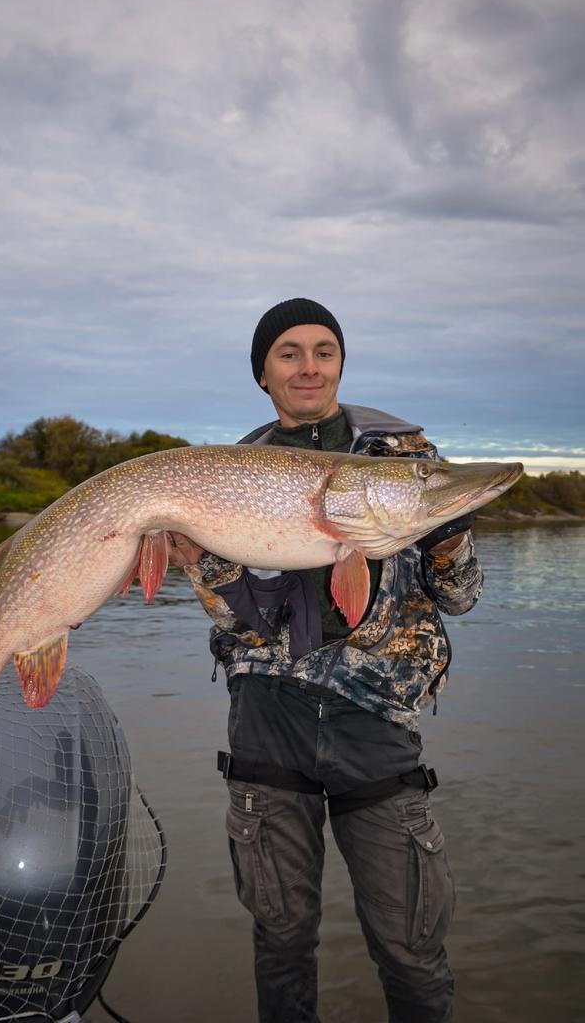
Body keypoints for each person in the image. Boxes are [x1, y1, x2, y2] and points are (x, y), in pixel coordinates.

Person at [169, 298, 482, 1023]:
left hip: (377, 726)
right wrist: (199, 565)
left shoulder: (407, 460)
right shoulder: (226, 470)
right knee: (280, 939)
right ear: (262, 373)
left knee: (410, 948)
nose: (308, 366)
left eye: (324, 350)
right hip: (266, 723)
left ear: (341, 362)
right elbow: (231, 621)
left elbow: (460, 599)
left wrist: (450, 537)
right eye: (288, 352)